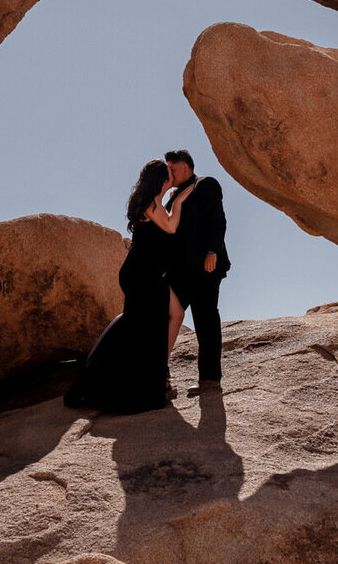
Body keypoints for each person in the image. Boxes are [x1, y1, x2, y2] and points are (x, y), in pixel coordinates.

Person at [65, 160, 196, 414]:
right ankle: (152, 378)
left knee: (166, 316)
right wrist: (179, 201)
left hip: (144, 272)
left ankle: (160, 372)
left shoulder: (154, 202)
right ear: (161, 179)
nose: (172, 175)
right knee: (146, 323)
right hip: (141, 274)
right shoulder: (151, 204)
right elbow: (170, 225)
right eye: (168, 173)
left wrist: (175, 197)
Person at [163, 149, 230, 396]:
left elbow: (218, 220)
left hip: (205, 268)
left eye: (172, 168)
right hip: (178, 273)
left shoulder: (206, 184)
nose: (168, 173)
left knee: (206, 321)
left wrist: (212, 251)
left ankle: (210, 381)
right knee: (165, 320)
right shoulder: (172, 196)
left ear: (185, 168)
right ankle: (161, 380)